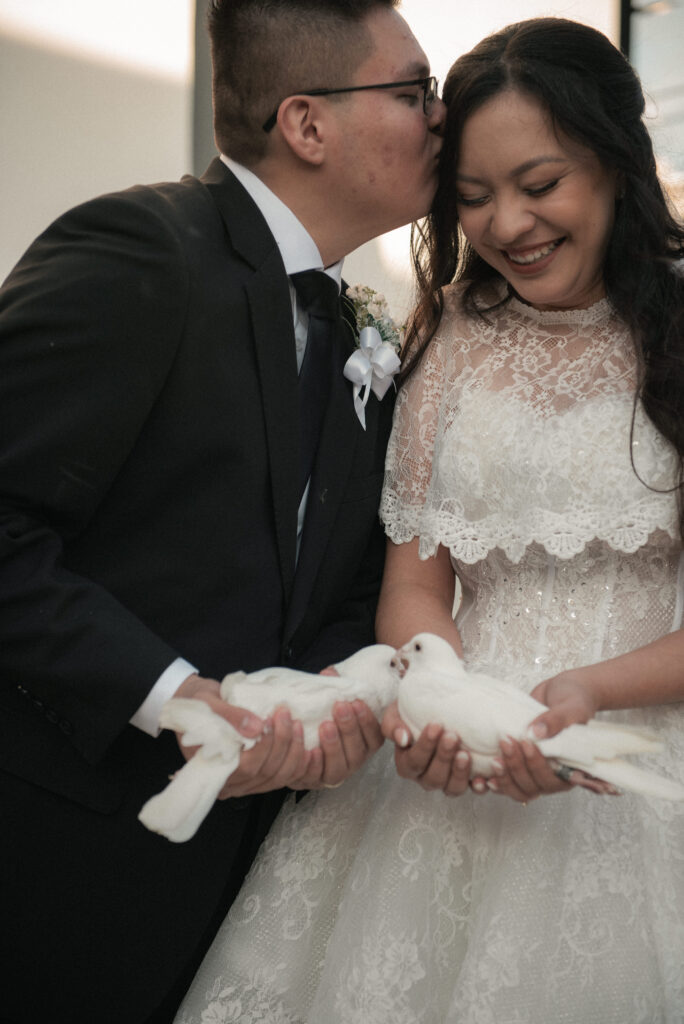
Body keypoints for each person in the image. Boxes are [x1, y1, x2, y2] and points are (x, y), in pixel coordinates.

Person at [172, 17, 684, 1024]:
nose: (508, 224)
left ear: (617, 164)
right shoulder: (451, 340)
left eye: (541, 185)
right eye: (474, 196)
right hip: (442, 759)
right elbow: (416, 574)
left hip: (639, 758)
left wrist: (585, 692)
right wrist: (437, 693)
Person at [0, 1, 445, 1021]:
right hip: (57, 855)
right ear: (307, 123)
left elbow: (332, 580)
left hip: (240, 889)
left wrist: (330, 698)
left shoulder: (360, 325)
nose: (439, 116)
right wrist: (174, 695)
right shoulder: (139, 250)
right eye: (415, 88)